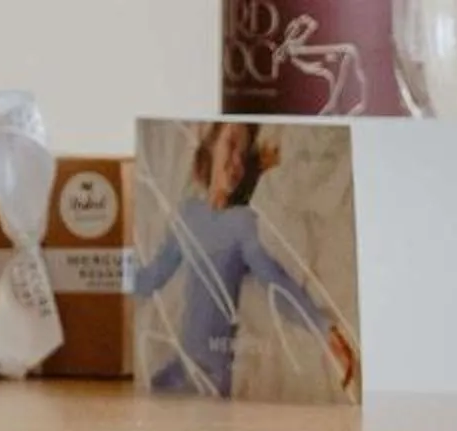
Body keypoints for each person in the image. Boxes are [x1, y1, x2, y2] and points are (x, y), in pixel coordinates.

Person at [135, 122, 360, 398]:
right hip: (180, 369)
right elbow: (151, 277)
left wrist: (326, 330)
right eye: (231, 145)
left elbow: (277, 283)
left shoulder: (243, 223)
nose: (235, 161)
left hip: (212, 382)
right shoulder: (187, 215)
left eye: (243, 154)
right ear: (211, 147)